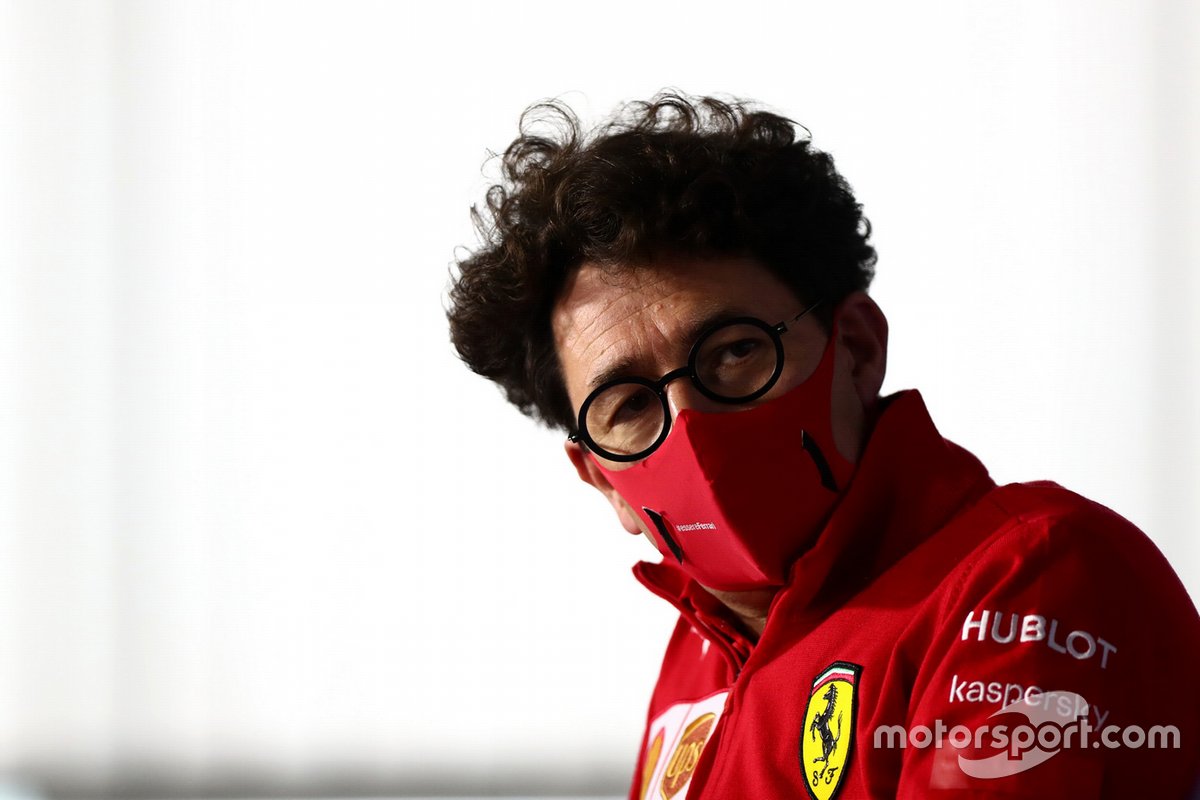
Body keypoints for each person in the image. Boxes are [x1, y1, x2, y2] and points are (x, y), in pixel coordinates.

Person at [445, 92, 1200, 798]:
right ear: (603, 482)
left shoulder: (1026, 575)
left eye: (734, 353)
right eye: (630, 404)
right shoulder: (700, 650)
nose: (692, 427)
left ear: (859, 350)